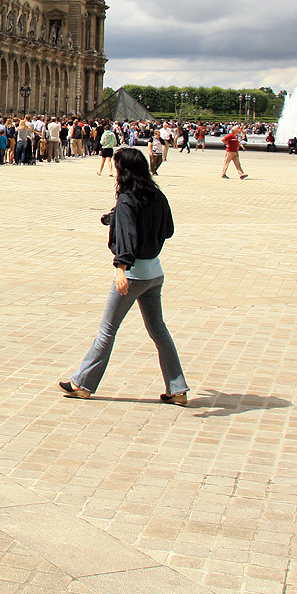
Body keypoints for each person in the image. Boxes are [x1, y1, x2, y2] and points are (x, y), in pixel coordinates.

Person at [60, 146, 190, 405]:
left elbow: (128, 236)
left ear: (124, 171)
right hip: (154, 271)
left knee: (107, 330)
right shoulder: (156, 194)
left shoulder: (128, 199)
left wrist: (121, 268)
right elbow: (168, 230)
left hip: (132, 274)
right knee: (159, 331)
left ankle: (82, 383)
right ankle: (177, 389)